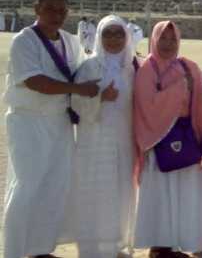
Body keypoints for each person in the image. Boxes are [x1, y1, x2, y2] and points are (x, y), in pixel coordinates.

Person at [3, 0, 97, 258]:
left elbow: (84, 72)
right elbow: (35, 81)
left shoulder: (70, 41)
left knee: (55, 186)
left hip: (60, 122)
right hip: (28, 121)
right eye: (50, 9)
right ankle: (14, 251)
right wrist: (77, 90)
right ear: (37, 10)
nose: (56, 15)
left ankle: (40, 249)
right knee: (27, 185)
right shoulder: (25, 41)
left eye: (61, 11)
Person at [133, 21, 202, 257]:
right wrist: (179, 89)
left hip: (185, 137)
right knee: (161, 195)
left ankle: (174, 244)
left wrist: (201, 137)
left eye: (172, 39)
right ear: (154, 40)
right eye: (163, 39)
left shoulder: (187, 67)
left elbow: (199, 105)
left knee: (182, 193)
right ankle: (159, 246)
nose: (167, 44)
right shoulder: (147, 69)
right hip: (159, 141)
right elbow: (146, 106)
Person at [68, 15, 137, 258]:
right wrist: (100, 98)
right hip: (94, 140)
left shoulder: (132, 68)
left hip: (123, 140)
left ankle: (115, 246)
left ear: (126, 37)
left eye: (119, 34)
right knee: (96, 191)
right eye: (108, 34)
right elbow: (75, 103)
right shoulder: (89, 66)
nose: (114, 39)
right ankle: (93, 249)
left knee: (120, 191)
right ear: (99, 36)